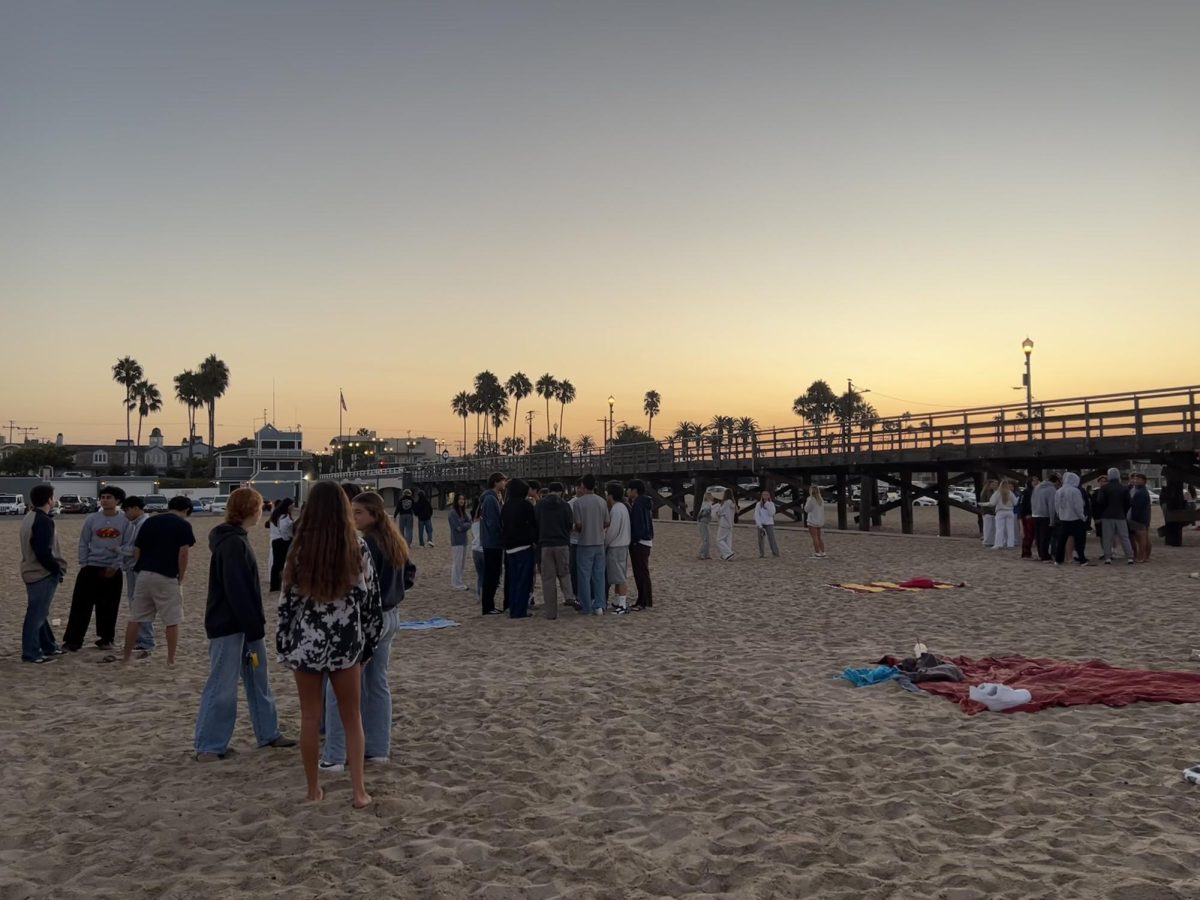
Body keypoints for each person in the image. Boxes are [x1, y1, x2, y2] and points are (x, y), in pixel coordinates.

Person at [276, 481, 382, 809]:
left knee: (310, 716)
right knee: (352, 717)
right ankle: (359, 792)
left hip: (306, 639)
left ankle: (312, 789)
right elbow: (370, 600)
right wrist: (369, 644)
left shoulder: (300, 547)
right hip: (346, 639)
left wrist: (283, 642)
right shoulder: (357, 546)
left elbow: (287, 600)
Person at [195, 487, 295, 760]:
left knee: (258, 680)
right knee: (222, 684)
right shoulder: (232, 543)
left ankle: (268, 732)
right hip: (230, 625)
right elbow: (236, 589)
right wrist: (252, 626)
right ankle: (209, 745)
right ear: (252, 509)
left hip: (245, 624)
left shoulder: (236, 539)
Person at [322, 491, 409, 771]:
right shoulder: (393, 540)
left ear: (374, 514)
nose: (353, 517)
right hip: (390, 615)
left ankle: (335, 755)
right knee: (376, 684)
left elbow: (357, 586)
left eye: (358, 512)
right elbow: (410, 573)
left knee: (341, 689)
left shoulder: (366, 543)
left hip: (370, 619)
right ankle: (378, 748)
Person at [116, 495, 195, 666]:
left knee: (136, 617)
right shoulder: (183, 525)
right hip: (166, 575)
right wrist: (181, 576)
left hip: (143, 574)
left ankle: (126, 656)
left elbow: (137, 550)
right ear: (187, 510)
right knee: (172, 620)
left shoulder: (150, 522)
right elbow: (183, 554)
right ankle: (170, 659)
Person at [63, 485, 129, 652]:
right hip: (91, 567)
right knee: (81, 605)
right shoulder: (91, 519)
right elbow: (84, 542)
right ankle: (73, 640)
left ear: (117, 501)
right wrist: (84, 563)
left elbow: (127, 545)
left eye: (109, 497)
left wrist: (116, 565)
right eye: (103, 497)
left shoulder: (124, 520)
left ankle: (106, 638)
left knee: (109, 606)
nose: (105, 500)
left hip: (112, 570)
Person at [19, 484, 65, 663]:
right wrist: (56, 569)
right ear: (49, 499)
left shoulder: (30, 516)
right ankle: (31, 652)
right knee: (36, 614)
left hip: (31, 571)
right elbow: (42, 551)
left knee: (40, 612)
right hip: (41, 573)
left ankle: (49, 646)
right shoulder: (44, 521)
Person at [119, 496, 155, 657]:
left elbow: (136, 549)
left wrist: (117, 550)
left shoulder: (143, 524)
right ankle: (142, 639)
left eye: (126, 510)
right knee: (137, 603)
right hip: (134, 567)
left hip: (138, 568)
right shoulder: (136, 524)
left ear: (135, 508)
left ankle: (145, 641)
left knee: (139, 604)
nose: (125, 514)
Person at [534, 482, 574, 619]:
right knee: (564, 573)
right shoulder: (565, 505)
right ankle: (569, 595)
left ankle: (551, 612)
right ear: (561, 492)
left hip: (545, 545)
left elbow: (535, 524)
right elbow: (570, 524)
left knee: (548, 579)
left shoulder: (539, 505)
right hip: (562, 544)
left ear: (549, 490)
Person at [500, 479, 538, 618]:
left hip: (509, 547)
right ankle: (520, 611)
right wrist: (534, 540)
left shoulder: (506, 506)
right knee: (524, 581)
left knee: (513, 580)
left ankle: (512, 608)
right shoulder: (526, 505)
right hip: (524, 546)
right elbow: (533, 524)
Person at [573, 473, 609, 615]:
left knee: (584, 576)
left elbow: (579, 525)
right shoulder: (602, 501)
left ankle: (586, 606)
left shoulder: (578, 503)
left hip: (584, 542)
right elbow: (607, 522)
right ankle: (600, 605)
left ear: (583, 485)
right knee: (599, 575)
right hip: (599, 542)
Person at [479, 473, 506, 615]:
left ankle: (489, 605)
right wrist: (501, 533)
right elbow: (493, 523)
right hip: (492, 543)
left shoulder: (494, 498)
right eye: (503, 481)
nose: (505, 483)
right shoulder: (490, 499)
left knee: (494, 574)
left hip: (492, 542)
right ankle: (488, 606)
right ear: (496, 482)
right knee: (492, 575)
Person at [1095, 466, 1135, 564]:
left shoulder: (1104, 488)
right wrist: (1123, 511)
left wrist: (1104, 510)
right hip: (1120, 515)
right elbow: (1129, 503)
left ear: (1109, 476)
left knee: (1107, 537)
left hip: (1107, 516)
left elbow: (1100, 502)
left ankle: (1108, 557)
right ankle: (1129, 557)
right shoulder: (1124, 488)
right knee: (1124, 537)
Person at [603, 481, 631, 614]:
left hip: (616, 546)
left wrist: (605, 543)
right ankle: (616, 601)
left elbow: (612, 531)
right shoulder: (623, 507)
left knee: (619, 577)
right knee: (618, 575)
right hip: (624, 545)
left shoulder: (616, 510)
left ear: (610, 495)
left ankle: (622, 604)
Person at [626, 479, 654, 610]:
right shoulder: (645, 502)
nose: (627, 492)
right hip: (646, 541)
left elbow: (638, 525)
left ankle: (644, 601)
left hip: (640, 542)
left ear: (634, 491)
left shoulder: (638, 504)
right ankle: (644, 599)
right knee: (642, 572)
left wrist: (634, 540)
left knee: (640, 572)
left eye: (629, 489)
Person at [1053, 473, 1088, 566]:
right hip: (1075, 519)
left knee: (1061, 541)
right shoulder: (1075, 491)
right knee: (1079, 541)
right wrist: (1082, 516)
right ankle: (1082, 560)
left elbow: (1056, 506)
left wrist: (1060, 515)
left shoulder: (1059, 491)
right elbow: (1078, 506)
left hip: (1064, 519)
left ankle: (1058, 559)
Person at [265, 498, 295, 593]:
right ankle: (277, 584)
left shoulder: (276, 515)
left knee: (276, 563)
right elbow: (283, 529)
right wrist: (287, 539)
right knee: (281, 563)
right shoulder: (284, 516)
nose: (293, 507)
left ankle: (275, 585)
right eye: (292, 505)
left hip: (275, 540)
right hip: (282, 541)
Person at [447, 493, 472, 590]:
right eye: (460, 499)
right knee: (457, 563)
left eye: (463, 499)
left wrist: (465, 524)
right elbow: (459, 527)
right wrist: (465, 524)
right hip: (457, 541)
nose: (461, 501)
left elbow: (469, 522)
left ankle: (460, 582)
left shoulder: (463, 512)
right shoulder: (453, 513)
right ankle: (456, 584)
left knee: (462, 563)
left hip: (464, 540)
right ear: (456, 500)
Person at [1031, 473, 1058, 562]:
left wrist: (1033, 512)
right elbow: (1051, 505)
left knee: (1038, 536)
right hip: (1045, 515)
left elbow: (1032, 501)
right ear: (1056, 481)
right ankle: (1045, 556)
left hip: (1035, 514)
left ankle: (1040, 554)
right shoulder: (1051, 489)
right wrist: (1052, 519)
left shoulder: (1037, 487)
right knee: (1045, 537)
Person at [1129, 472, 1153, 562]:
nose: (1136, 481)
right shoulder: (1139, 490)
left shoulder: (1141, 492)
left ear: (1144, 481)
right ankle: (1146, 556)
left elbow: (1138, 507)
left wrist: (1134, 518)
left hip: (1139, 518)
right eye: (1135, 479)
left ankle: (1141, 557)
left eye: (1138, 479)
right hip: (1142, 518)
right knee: (1144, 538)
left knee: (1141, 539)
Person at [986, 480, 1017, 549]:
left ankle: (998, 544)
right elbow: (1015, 503)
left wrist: (985, 504)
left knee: (999, 528)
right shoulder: (1010, 493)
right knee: (1010, 529)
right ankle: (1010, 544)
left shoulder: (997, 493)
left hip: (1000, 512)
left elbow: (992, 503)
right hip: (1009, 511)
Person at [754, 489, 780, 558]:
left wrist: (767, 504)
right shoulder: (758, 504)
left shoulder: (771, 504)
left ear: (769, 496)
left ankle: (775, 553)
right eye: (764, 495)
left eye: (766, 495)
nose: (765, 496)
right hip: (761, 523)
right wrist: (759, 524)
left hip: (769, 523)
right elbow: (756, 515)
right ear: (762, 496)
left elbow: (772, 513)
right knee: (761, 540)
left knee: (771, 538)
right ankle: (761, 553)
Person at [568, 481, 583, 600]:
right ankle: (574, 592)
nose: (581, 489)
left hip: (586, 541)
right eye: (579, 487)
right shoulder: (570, 504)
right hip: (573, 540)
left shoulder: (589, 501)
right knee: (573, 568)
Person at [1018, 474, 1039, 559]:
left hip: (1036, 515)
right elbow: (1022, 504)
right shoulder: (1026, 492)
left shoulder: (1038, 491)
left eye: (1037, 480)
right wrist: (1026, 514)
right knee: (1028, 535)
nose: (1036, 482)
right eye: (1034, 481)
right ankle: (1026, 553)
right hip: (1028, 515)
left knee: (1035, 535)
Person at [805, 485, 826, 558]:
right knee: (819, 537)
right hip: (819, 520)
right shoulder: (821, 499)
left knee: (814, 537)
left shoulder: (811, 499)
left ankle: (817, 553)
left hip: (812, 520)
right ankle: (823, 552)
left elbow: (806, 509)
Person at [470, 499, 485, 600]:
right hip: (483, 550)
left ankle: (478, 594)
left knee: (480, 575)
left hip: (475, 550)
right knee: (486, 574)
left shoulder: (474, 522)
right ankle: (484, 595)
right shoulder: (485, 522)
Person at [715, 490, 736, 560]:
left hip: (724, 523)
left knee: (719, 540)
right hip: (730, 523)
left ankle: (729, 552)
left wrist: (717, 511)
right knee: (727, 540)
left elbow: (721, 512)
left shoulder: (726, 502)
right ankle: (726, 555)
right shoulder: (733, 502)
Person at [978, 478, 998, 547]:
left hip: (994, 512)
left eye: (996, 484)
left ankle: (992, 541)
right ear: (989, 485)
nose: (995, 486)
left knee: (993, 528)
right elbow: (983, 502)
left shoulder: (994, 492)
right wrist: (984, 511)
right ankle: (986, 541)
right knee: (987, 528)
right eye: (993, 484)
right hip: (987, 512)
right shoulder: (985, 492)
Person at [696, 490, 715, 559]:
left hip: (704, 522)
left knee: (707, 539)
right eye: (711, 496)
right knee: (705, 539)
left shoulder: (706, 504)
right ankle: (702, 554)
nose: (713, 497)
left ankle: (706, 554)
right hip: (703, 522)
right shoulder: (707, 504)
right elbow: (702, 514)